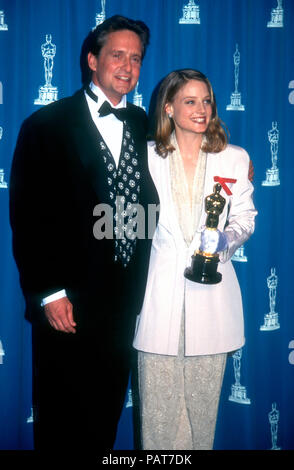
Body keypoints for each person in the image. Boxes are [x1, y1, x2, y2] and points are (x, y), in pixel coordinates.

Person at [9, 15, 158, 454]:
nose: (128, 67)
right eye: (117, 55)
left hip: (125, 304)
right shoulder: (45, 125)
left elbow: (190, 149)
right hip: (67, 303)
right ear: (92, 60)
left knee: (105, 418)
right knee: (61, 419)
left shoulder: (141, 123)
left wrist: (233, 160)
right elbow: (27, 214)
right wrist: (48, 292)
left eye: (136, 58)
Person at [133, 69, 257, 450]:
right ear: (168, 107)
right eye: (190, 101)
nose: (201, 110)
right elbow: (129, 222)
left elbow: (245, 219)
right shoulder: (144, 157)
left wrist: (225, 241)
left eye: (206, 101)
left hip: (212, 303)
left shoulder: (234, 159)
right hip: (157, 301)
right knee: (156, 420)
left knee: (202, 421)